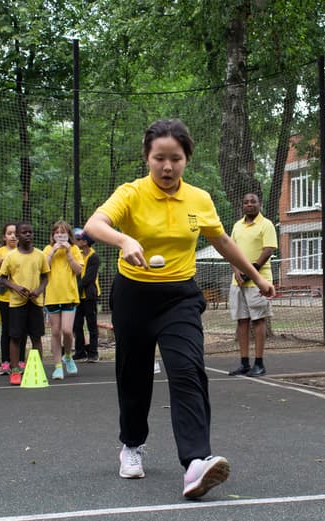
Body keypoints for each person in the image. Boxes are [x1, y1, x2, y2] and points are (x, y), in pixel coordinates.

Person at [84, 119, 276, 499]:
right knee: (134, 375)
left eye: (175, 158)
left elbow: (221, 240)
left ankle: (196, 464)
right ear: (148, 158)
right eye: (159, 159)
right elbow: (94, 224)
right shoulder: (131, 193)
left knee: (188, 370)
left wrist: (255, 276)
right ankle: (132, 445)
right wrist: (124, 240)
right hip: (134, 295)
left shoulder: (199, 199)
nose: (167, 167)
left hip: (179, 298)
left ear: (186, 158)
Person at [226, 193, 277, 377]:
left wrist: (252, 271)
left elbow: (269, 249)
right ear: (242, 205)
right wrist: (236, 270)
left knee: (259, 320)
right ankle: (244, 363)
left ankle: (259, 363)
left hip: (258, 281)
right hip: (238, 282)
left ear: (259, 204)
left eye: (253, 202)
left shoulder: (266, 224)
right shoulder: (237, 226)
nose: (249, 204)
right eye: (246, 202)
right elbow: (230, 249)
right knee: (242, 321)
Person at [0, 222, 49, 386]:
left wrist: (39, 290)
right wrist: (16, 287)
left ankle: (37, 368)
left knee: (36, 336)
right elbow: (2, 279)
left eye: (30, 232)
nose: (28, 235)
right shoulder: (11, 256)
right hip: (16, 303)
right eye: (24, 232)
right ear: (18, 236)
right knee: (15, 337)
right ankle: (15, 371)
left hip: (35, 302)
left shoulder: (40, 255)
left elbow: (45, 277)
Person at [43, 220, 83, 380]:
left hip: (69, 295)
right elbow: (43, 268)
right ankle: (58, 366)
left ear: (68, 235)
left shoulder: (74, 249)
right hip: (52, 296)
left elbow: (78, 270)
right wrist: (52, 251)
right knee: (55, 332)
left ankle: (68, 356)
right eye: (57, 232)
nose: (60, 235)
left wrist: (68, 254)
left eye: (63, 232)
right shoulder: (47, 249)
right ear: (53, 235)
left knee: (67, 330)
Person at [0, 222, 20, 375]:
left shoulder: (24, 251)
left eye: (15, 233)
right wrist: (1, 261)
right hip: (5, 297)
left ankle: (20, 361)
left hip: (21, 298)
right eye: (9, 233)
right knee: (6, 330)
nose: (13, 236)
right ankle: (6, 362)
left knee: (20, 330)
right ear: (4, 236)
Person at [73, 228, 100, 362]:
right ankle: (80, 351)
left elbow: (89, 278)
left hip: (89, 296)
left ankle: (93, 352)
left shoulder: (94, 257)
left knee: (91, 324)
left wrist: (74, 287)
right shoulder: (76, 255)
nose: (75, 242)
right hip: (77, 296)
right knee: (77, 325)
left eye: (78, 239)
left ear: (85, 242)